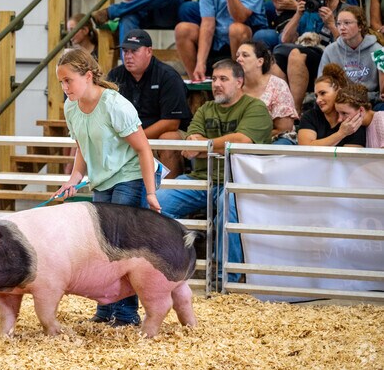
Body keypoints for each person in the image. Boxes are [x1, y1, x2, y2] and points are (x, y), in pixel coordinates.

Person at [53, 47, 161, 327]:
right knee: (104, 246)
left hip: (132, 175)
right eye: (61, 82)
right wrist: (74, 178)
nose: (65, 88)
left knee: (120, 245)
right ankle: (106, 309)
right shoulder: (71, 106)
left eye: (69, 81)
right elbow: (82, 145)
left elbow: (143, 149)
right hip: (103, 179)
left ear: (88, 76)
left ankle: (126, 313)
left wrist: (150, 192)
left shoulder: (114, 104)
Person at [155, 59, 272, 284]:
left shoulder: (255, 108)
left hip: (236, 181)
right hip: (200, 179)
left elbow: (242, 141)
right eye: (214, 79)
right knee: (158, 202)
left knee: (227, 210)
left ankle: (224, 277)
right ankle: (164, 269)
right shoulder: (205, 108)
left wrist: (205, 146)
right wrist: (208, 145)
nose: (216, 84)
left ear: (239, 82)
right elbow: (191, 144)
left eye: (223, 79)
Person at [107, 29, 191, 178]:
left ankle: (167, 194)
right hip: (127, 134)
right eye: (125, 51)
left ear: (149, 51)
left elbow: (171, 122)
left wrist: (136, 139)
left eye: (134, 51)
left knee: (169, 139)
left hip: (158, 134)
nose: (128, 56)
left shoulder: (168, 76)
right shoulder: (115, 76)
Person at [271, 0, 348, 116]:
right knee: (276, 60)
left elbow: (350, 45)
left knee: (295, 55)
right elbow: (285, 39)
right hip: (307, 55)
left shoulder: (347, 10)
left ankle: (295, 112)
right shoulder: (311, 8)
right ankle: (279, 112)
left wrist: (332, 24)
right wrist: (298, 14)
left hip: (333, 59)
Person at [318, 6, 384, 108]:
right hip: (340, 100)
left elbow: (381, 92)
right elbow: (322, 83)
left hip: (370, 101)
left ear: (360, 26)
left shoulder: (378, 51)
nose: (342, 27)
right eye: (339, 24)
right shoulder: (330, 50)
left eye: (347, 23)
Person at [236, 41, 298, 144]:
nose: (239, 59)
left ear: (260, 62)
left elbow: (284, 128)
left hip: (276, 139)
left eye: (245, 55)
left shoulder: (277, 85)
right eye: (237, 56)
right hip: (241, 141)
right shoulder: (234, 86)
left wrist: (251, 138)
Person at [298, 63, 366, 147]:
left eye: (323, 93)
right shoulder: (310, 116)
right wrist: (341, 133)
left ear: (338, 91)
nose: (318, 100)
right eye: (316, 96)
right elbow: (306, 148)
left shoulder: (352, 118)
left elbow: (350, 157)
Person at [335, 83, 384, 148]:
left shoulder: (381, 119)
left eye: (344, 113)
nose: (339, 119)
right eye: (338, 113)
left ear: (361, 110)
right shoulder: (361, 126)